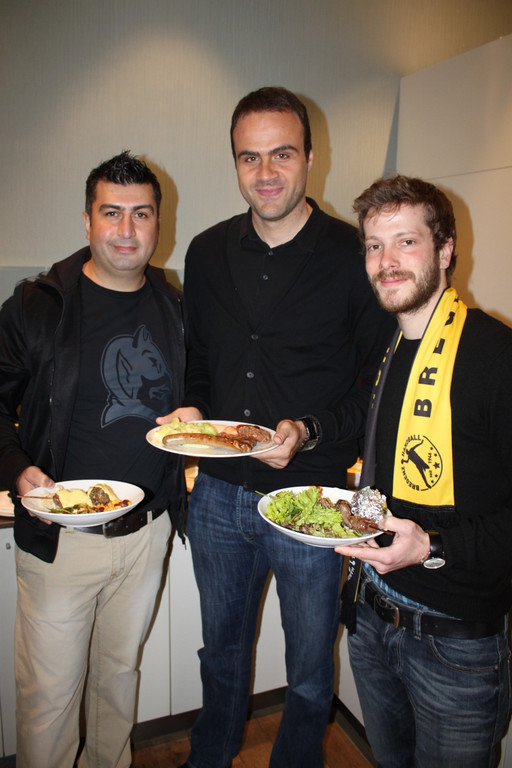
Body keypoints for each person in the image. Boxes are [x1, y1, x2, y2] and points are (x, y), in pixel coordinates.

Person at [162, 86, 394, 768]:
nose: (266, 173)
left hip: (312, 501)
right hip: (216, 496)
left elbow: (375, 389)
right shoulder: (206, 253)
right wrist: (192, 410)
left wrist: (308, 432)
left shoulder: (354, 256)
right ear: (235, 163)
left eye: (282, 154)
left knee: (310, 671)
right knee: (220, 656)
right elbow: (199, 365)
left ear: (311, 158)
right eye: (250, 157)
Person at [0, 151, 186, 768]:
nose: (126, 230)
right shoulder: (38, 305)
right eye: (111, 213)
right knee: (49, 702)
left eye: (141, 214)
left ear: (158, 223)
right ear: (87, 220)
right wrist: (15, 466)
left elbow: (194, 392)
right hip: (62, 539)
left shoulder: (172, 304)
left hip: (147, 532)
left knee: (117, 685)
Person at [337, 175, 512, 768]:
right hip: (372, 617)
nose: (386, 261)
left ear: (445, 250)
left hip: (453, 647)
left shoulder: (496, 357)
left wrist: (433, 545)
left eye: (405, 242)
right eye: (374, 245)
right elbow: (380, 475)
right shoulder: (388, 352)